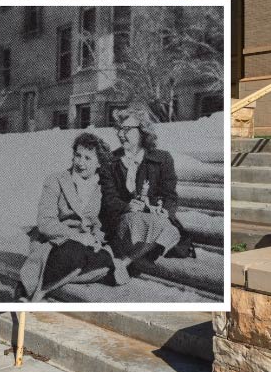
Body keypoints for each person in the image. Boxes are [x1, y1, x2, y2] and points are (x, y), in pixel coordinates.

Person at [19, 132, 126, 302]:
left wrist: (96, 238)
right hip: (56, 241)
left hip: (85, 245)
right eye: (78, 155)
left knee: (106, 262)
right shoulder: (56, 180)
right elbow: (45, 223)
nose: (80, 163)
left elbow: (98, 223)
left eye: (87, 158)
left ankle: (48, 282)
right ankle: (38, 292)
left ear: (99, 163)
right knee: (73, 253)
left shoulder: (101, 188)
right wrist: (78, 237)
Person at [99, 109, 184, 275]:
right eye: (119, 129)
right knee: (142, 223)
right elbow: (108, 199)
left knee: (169, 229)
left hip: (153, 219)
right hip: (122, 221)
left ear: (143, 131)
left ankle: (124, 262)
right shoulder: (110, 161)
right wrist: (127, 206)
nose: (121, 134)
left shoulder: (163, 159)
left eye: (127, 129)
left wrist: (164, 210)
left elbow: (170, 196)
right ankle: (133, 255)